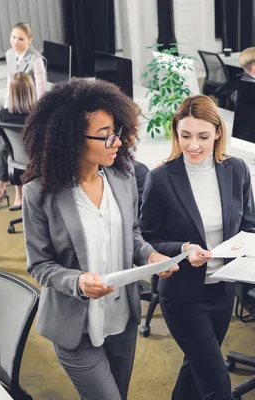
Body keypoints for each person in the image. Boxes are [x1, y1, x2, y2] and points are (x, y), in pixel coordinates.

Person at [22, 79, 176, 400]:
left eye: (116, 131)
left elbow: (131, 235)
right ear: (72, 140)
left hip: (123, 321)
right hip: (75, 329)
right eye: (105, 135)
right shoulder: (38, 194)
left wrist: (149, 256)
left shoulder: (124, 177)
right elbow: (39, 265)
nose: (117, 141)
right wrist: (77, 282)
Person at [139, 95, 255, 400]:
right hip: (183, 296)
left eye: (203, 136)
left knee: (196, 370)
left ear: (218, 132)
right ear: (176, 134)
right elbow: (148, 237)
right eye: (185, 136)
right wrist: (183, 247)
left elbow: (249, 226)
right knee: (217, 384)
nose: (193, 145)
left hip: (222, 292)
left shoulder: (237, 170)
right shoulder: (161, 178)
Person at [0, 72, 36, 212]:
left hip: (17, 161)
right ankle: (15, 194)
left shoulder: (4, 114)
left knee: (4, 146)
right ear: (31, 91)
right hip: (37, 160)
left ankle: (2, 190)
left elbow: (3, 149)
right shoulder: (38, 113)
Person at [5, 22, 46, 107]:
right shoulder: (9, 54)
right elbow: (10, 81)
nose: (15, 42)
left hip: (30, 105)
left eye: (21, 39)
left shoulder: (36, 59)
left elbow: (41, 91)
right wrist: (7, 106)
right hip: (15, 104)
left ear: (29, 40)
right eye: (13, 37)